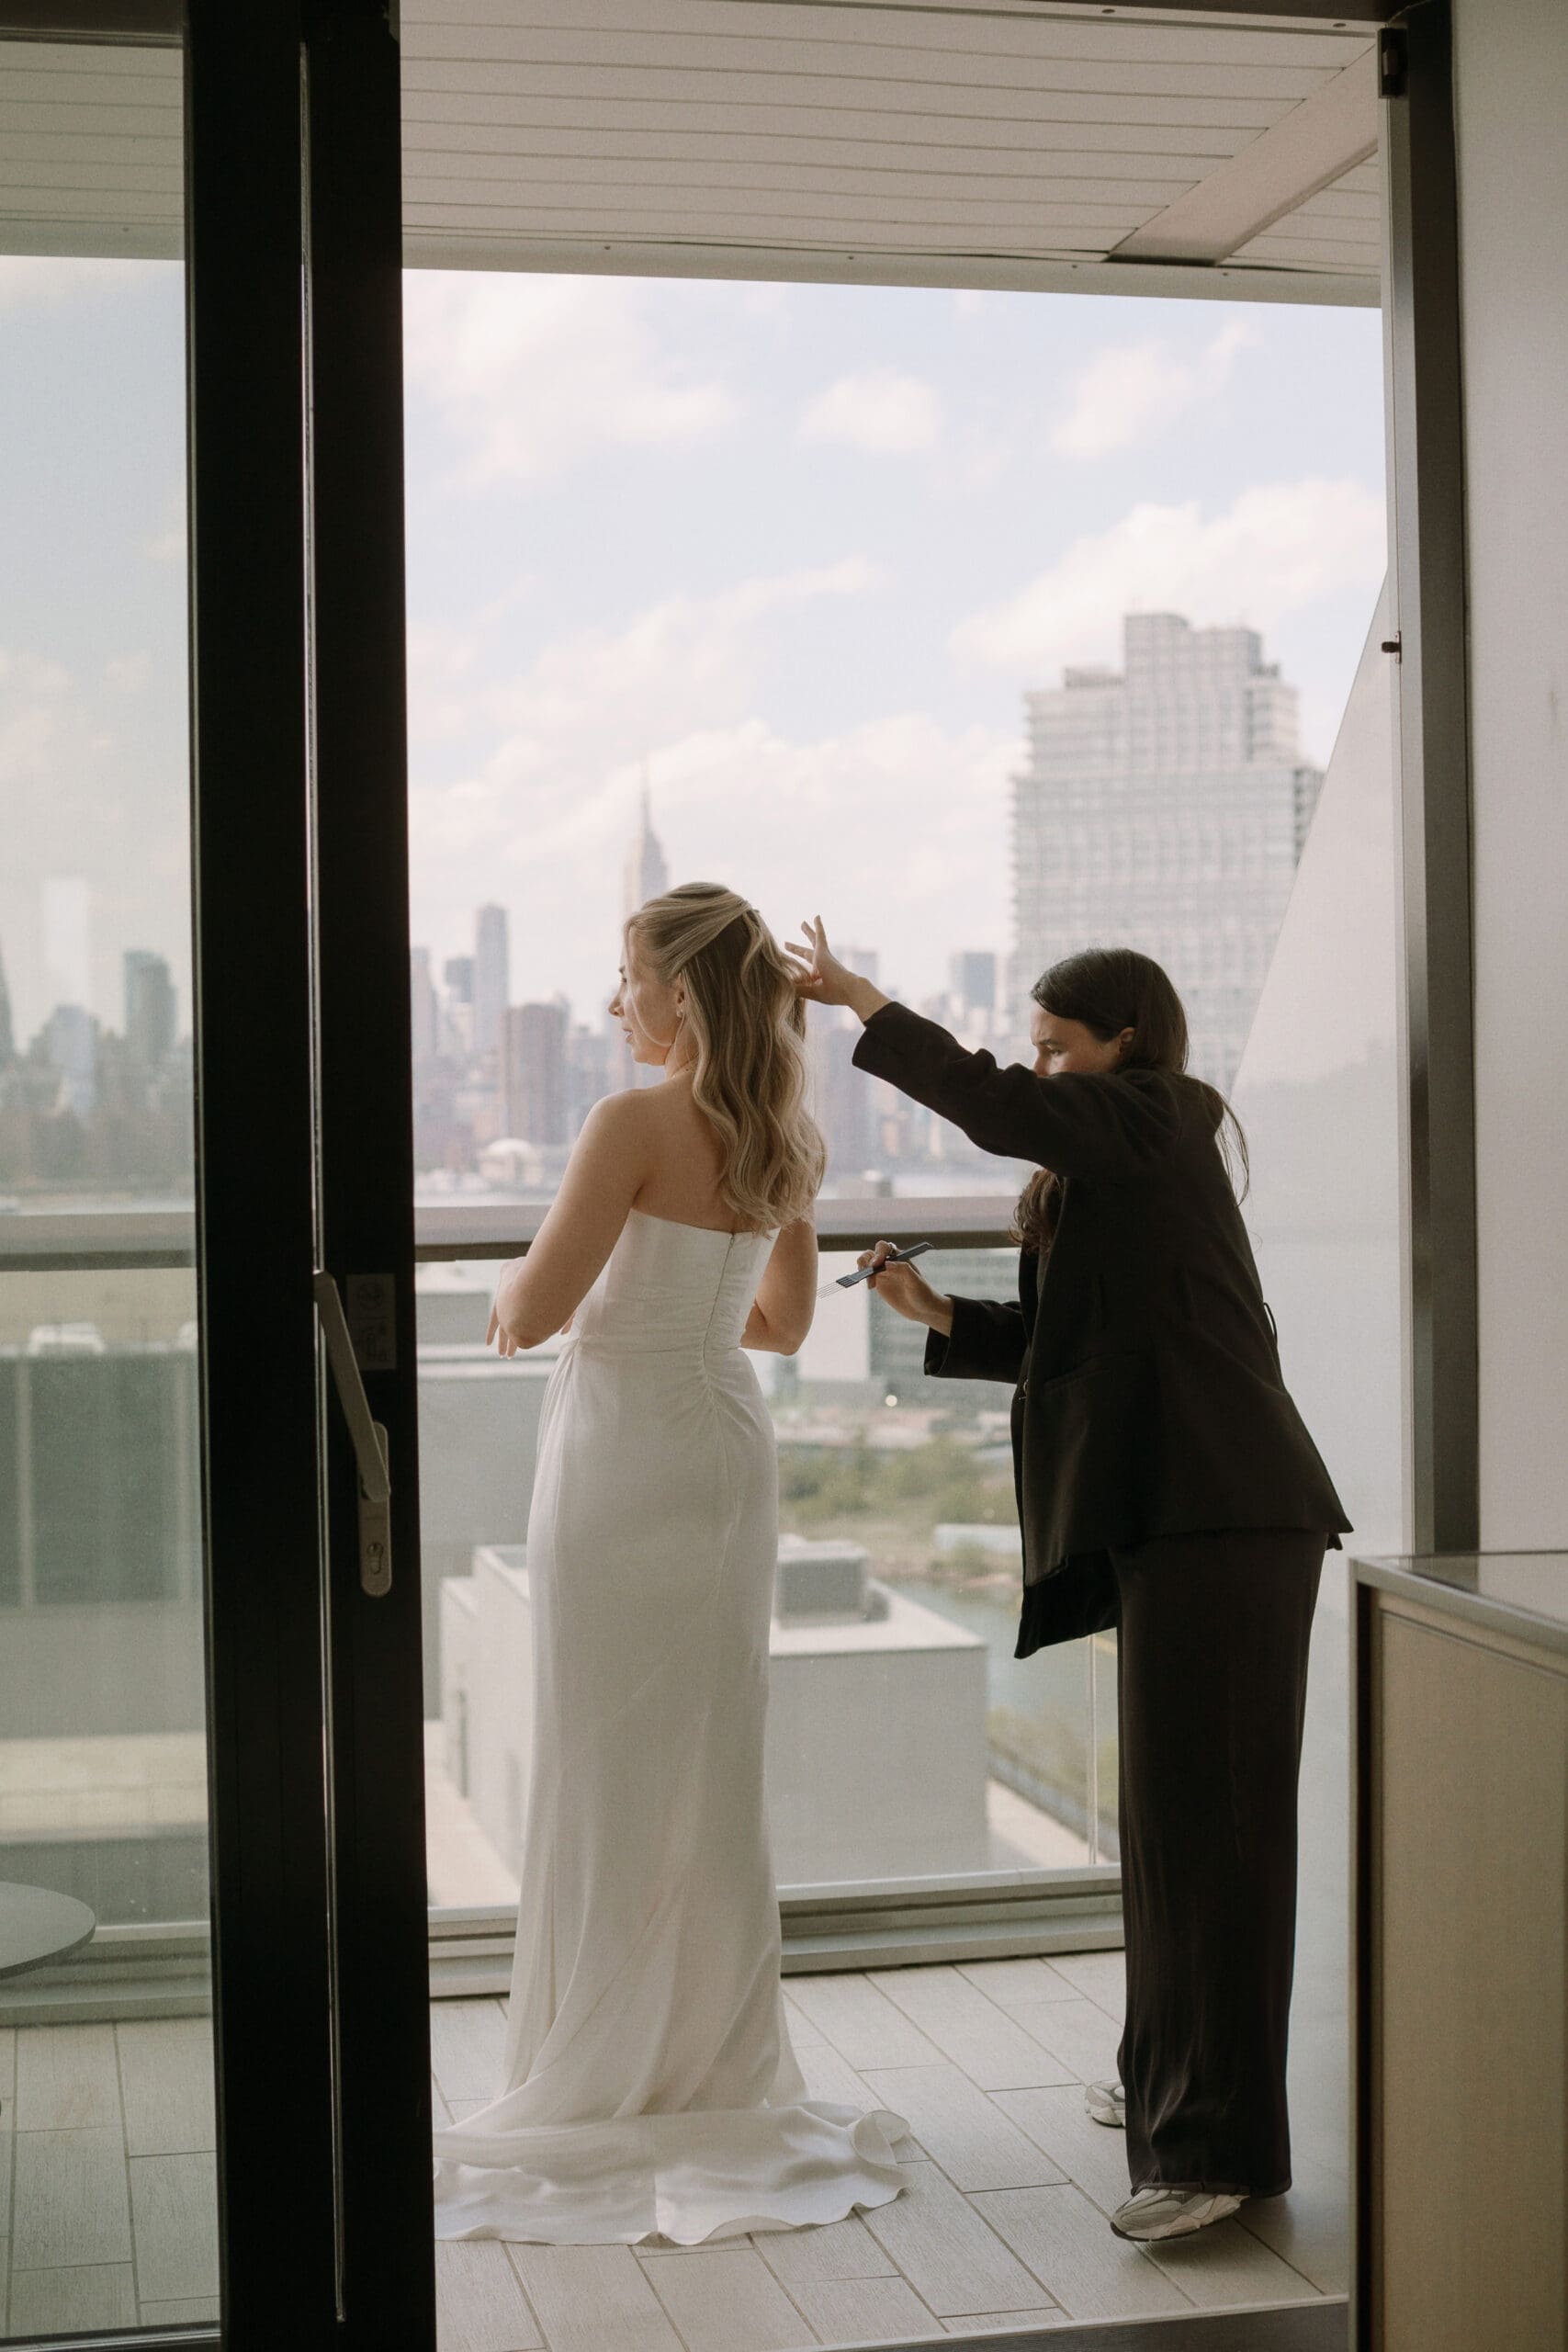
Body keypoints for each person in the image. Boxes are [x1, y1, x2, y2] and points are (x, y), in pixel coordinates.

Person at [788, 920, 1349, 2248]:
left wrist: (866, 998)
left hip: (1228, 1518)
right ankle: (1165, 2084)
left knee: (1213, 1838)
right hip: (1185, 1521)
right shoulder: (1108, 1166)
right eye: (1033, 1049)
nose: (1037, 1072)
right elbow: (1072, 1342)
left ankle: (1216, 2151)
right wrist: (941, 1320)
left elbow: (987, 1111)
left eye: (1055, 1048)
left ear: (1128, 1044)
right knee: (1171, 1830)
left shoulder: (1161, 1116)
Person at [433, 884, 906, 2245]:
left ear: (681, 995)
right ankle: (707, 2058)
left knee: (603, 1753)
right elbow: (784, 1325)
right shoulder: (787, 1133)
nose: (612, 1003)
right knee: (706, 1754)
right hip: (722, 1447)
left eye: (627, 978)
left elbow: (530, 1307)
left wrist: (523, 1304)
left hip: (625, 1453)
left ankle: (593, 2051)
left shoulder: (627, 1125)